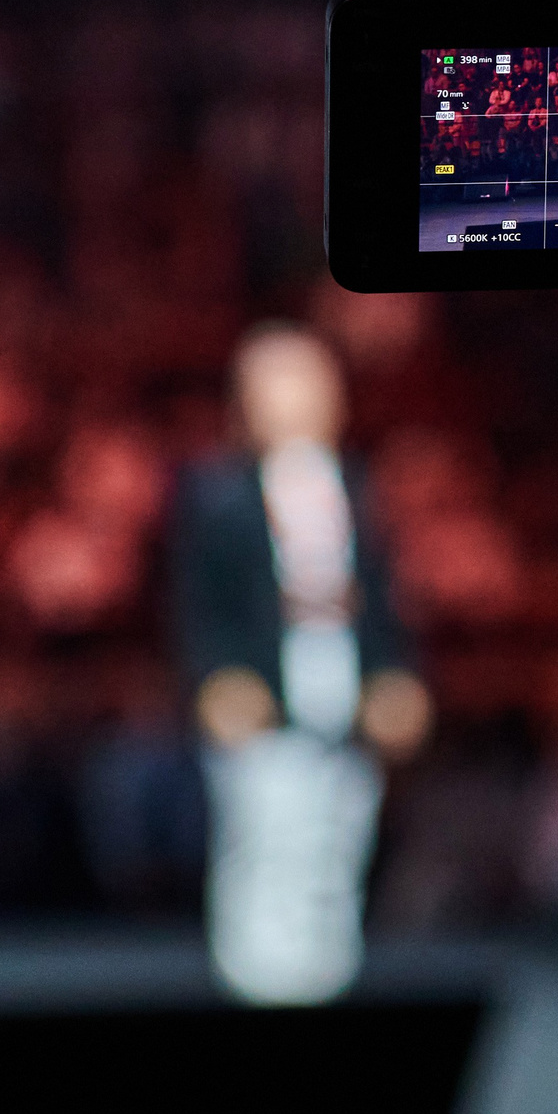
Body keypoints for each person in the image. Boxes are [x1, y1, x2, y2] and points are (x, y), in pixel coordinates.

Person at [171, 323, 431, 1004]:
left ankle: (329, 975)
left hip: (342, 702)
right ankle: (256, 977)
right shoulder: (218, 497)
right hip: (264, 706)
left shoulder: (363, 492)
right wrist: (216, 678)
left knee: (339, 840)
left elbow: (385, 600)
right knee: (266, 838)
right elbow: (201, 604)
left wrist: (392, 676)